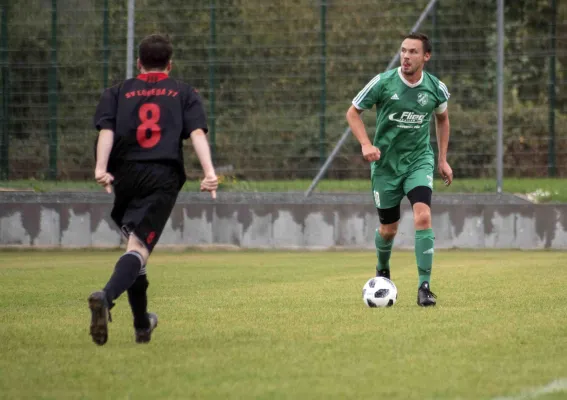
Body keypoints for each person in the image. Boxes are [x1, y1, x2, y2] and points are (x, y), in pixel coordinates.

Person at [89, 33, 218, 345]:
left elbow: (106, 129)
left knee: (134, 248)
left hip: (125, 175)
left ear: (139, 63)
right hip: (161, 175)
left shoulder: (117, 92)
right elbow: (197, 133)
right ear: (169, 65)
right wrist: (210, 173)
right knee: (138, 251)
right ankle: (105, 297)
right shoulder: (183, 92)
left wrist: (101, 168)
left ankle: (141, 325)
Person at [345, 32, 452, 307]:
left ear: (426, 56)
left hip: (419, 161)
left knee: (423, 216)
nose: (406, 56)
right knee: (388, 230)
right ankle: (382, 269)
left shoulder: (435, 88)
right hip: (385, 167)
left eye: (413, 52)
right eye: (403, 51)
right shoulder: (383, 82)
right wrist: (366, 144)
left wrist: (442, 159)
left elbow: (442, 119)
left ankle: (424, 287)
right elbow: (352, 112)